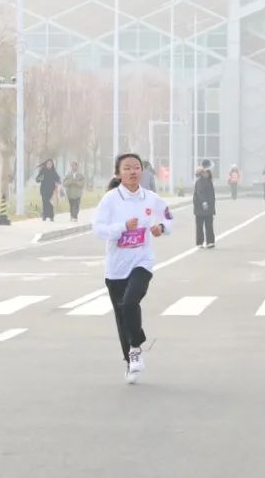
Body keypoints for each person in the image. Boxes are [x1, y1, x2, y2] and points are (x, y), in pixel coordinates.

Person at [93, 153, 172, 384]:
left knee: (129, 303)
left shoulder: (151, 198)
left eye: (136, 167)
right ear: (118, 173)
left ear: (142, 171)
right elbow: (98, 229)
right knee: (122, 317)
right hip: (116, 268)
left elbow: (168, 217)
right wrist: (122, 227)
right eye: (127, 168)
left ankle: (135, 347)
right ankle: (130, 361)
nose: (133, 171)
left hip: (141, 262)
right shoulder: (110, 199)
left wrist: (161, 228)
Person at [194, 159, 217, 249]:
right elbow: (200, 193)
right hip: (200, 207)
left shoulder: (208, 180)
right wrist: (204, 202)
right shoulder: (200, 181)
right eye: (208, 172)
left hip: (209, 207)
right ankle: (199, 242)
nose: (209, 173)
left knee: (209, 225)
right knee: (200, 226)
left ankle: (210, 242)